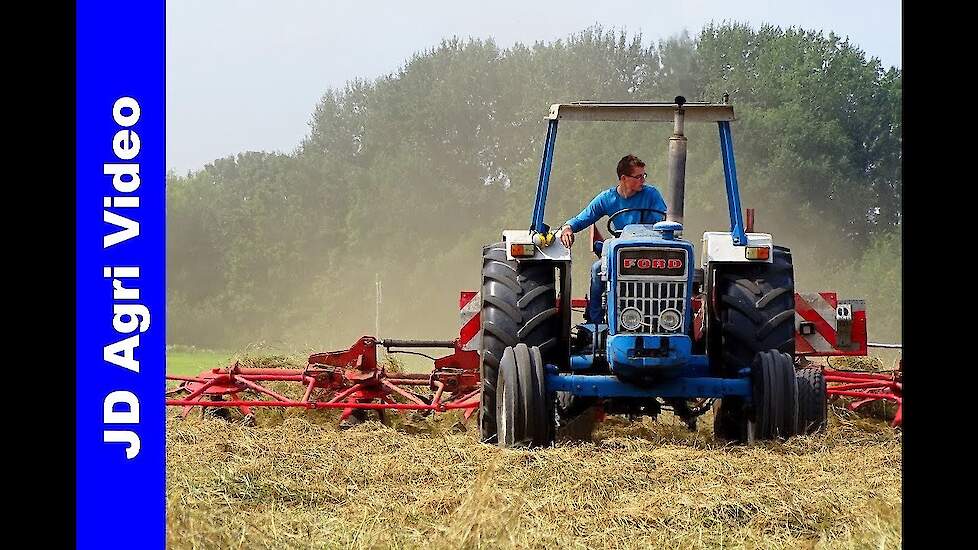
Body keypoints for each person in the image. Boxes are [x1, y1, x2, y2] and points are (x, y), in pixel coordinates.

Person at [558, 154, 668, 324]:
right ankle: (595, 322)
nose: (642, 180)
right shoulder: (607, 198)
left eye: (644, 176)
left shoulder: (651, 195)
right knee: (597, 270)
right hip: (621, 254)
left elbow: (661, 223)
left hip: (649, 253)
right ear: (624, 178)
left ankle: (665, 316)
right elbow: (584, 217)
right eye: (638, 176)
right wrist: (568, 227)